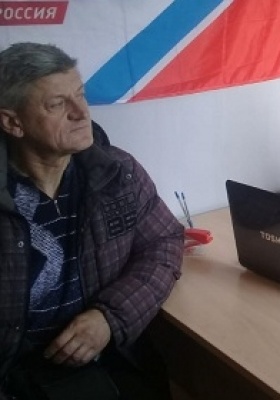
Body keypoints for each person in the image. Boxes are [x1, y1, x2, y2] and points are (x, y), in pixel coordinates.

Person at [0, 42, 184, 398]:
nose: (81, 112)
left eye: (80, 95)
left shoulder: (117, 173)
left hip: (102, 362)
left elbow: (163, 242)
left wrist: (110, 317)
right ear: (12, 122)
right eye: (57, 104)